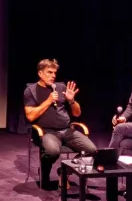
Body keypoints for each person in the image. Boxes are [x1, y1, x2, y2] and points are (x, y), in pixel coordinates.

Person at [24, 59, 97, 189]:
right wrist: (49, 100)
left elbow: (77, 114)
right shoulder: (31, 91)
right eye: (49, 72)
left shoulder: (61, 87)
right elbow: (30, 116)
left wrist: (72, 101)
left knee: (92, 151)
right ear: (40, 73)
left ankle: (64, 172)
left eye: (54, 73)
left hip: (67, 130)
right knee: (52, 152)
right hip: (46, 132)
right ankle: (44, 172)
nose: (53, 76)